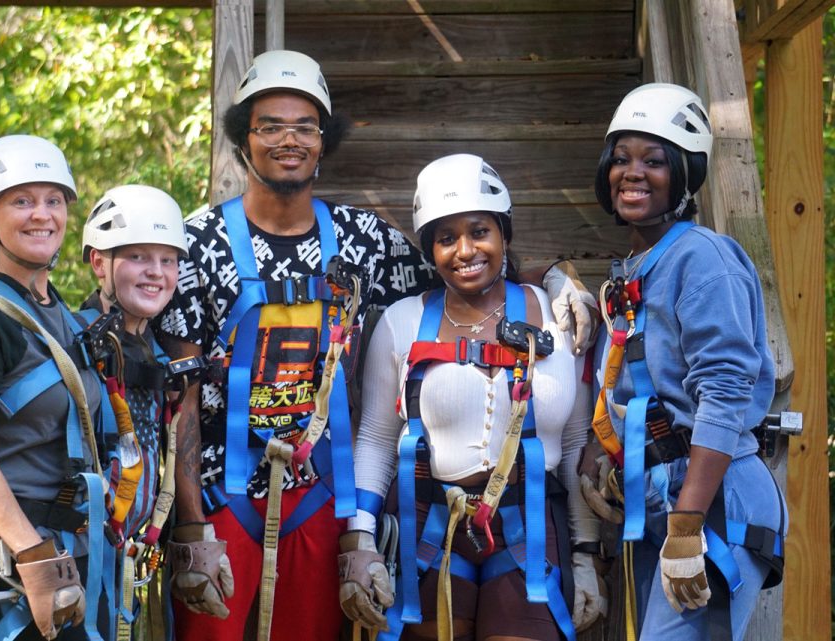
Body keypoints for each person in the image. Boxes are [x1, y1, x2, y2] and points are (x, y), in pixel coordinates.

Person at [156, 50, 599, 641]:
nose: (289, 140)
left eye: (305, 126)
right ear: (244, 137)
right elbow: (177, 397)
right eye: (270, 125)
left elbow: (468, 267)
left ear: (323, 139)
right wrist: (188, 529)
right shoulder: (194, 243)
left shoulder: (368, 243)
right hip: (221, 501)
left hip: (326, 502)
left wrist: (557, 277)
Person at [343, 153, 604, 641]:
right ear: (430, 249)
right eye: (446, 238)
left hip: (527, 526)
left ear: (504, 234)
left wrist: (586, 552)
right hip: (427, 526)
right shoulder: (401, 321)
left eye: (479, 231)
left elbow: (574, 443)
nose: (465, 250)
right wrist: (360, 541)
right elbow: (377, 438)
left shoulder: (561, 315)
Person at [586, 83, 787, 640]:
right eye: (621, 158)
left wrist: (688, 521)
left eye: (654, 160)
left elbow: (723, 394)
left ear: (682, 173)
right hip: (664, 498)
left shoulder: (703, 258)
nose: (632, 172)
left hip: (713, 501)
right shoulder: (637, 266)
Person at [0, 134, 115, 640]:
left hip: (73, 546)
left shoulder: (67, 320)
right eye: (22, 201)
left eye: (53, 200)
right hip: (9, 557)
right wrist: (34, 558)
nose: (42, 215)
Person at [80, 184, 191, 636]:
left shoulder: (157, 353)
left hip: (135, 565)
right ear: (98, 263)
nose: (156, 273)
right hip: (81, 565)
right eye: (139, 258)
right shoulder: (76, 344)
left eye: (167, 260)